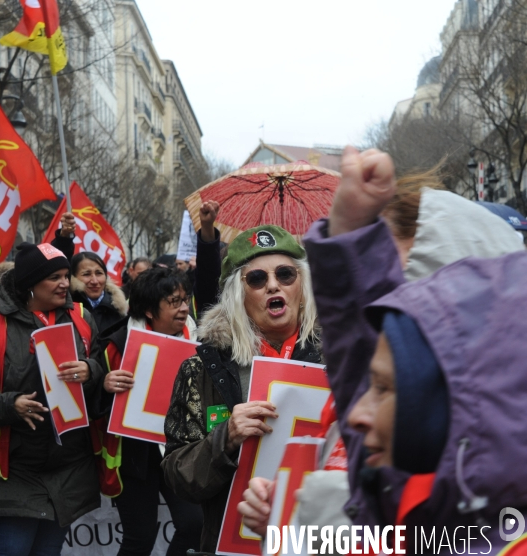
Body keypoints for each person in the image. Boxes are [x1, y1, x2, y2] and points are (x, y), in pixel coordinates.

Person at [237, 152, 525, 539]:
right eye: (374, 278)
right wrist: (288, 520)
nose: (360, 414)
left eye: (395, 282)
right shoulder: (375, 402)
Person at [161, 225, 323, 553]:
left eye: (286, 274)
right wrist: (227, 437)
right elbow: (178, 478)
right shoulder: (202, 369)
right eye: (258, 279)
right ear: (239, 292)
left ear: (302, 284)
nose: (273, 285)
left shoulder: (340, 358)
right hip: (234, 542)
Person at [0, 242, 103, 556]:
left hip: (67, 467)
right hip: (11, 467)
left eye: (66, 275)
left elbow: (102, 366)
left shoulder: (82, 319)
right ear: (30, 285)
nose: (66, 283)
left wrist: (90, 370)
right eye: (55, 278)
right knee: (11, 550)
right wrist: (11, 405)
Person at [101, 266, 202, 556]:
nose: (184, 309)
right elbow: (92, 403)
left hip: (181, 452)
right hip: (135, 459)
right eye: (174, 302)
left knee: (194, 525)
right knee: (140, 538)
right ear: (148, 311)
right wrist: (104, 384)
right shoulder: (117, 346)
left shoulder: (198, 341)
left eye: (185, 300)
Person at [70, 252, 128, 336]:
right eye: (86, 274)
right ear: (73, 278)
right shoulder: (68, 309)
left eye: (99, 273)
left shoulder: (118, 310)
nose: (95, 281)